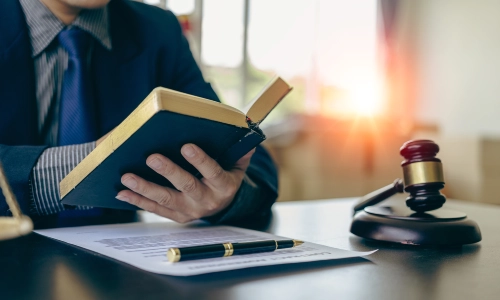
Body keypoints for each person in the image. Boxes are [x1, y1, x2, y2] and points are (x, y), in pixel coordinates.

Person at [0, 0, 278, 227]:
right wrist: (87, 165)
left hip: (124, 271)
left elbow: (247, 157)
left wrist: (225, 196)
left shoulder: (157, 30)